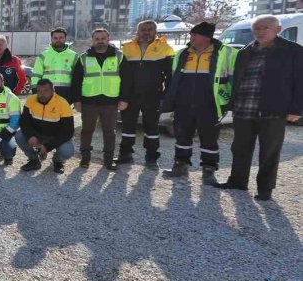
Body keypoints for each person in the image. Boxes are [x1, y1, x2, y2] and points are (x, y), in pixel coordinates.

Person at [216, 15, 303, 200]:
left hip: (273, 110)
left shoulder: (292, 50)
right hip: (244, 108)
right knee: (239, 148)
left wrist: (296, 109)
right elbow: (237, 79)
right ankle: (237, 181)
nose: (260, 32)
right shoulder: (245, 51)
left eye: (265, 28)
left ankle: (265, 189)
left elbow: (300, 81)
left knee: (269, 151)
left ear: (278, 29)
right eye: (257, 28)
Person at [160, 22, 236, 185]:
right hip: (184, 104)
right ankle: (180, 166)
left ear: (206, 37)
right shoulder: (182, 54)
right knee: (182, 136)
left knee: (209, 139)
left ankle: (208, 170)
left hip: (210, 104)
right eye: (191, 34)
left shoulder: (226, 53)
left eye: (195, 34)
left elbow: (234, 80)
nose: (191, 37)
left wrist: (229, 103)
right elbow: (174, 79)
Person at [117, 20, 174, 167]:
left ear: (155, 32)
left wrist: (165, 96)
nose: (146, 32)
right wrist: (122, 95)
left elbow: (170, 75)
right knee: (128, 127)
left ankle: (151, 157)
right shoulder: (127, 48)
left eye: (150, 29)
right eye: (143, 29)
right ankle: (125, 154)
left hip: (153, 95)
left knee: (152, 127)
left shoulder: (165, 48)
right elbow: (120, 73)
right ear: (138, 31)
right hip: (130, 94)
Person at [72, 28, 126, 171]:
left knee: (109, 132)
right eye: (97, 39)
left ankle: (108, 159)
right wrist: (77, 100)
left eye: (103, 38)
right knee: (86, 130)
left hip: (110, 100)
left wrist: (124, 99)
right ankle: (85, 158)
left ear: (108, 39)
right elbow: (76, 81)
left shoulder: (119, 56)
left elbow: (127, 80)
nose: (100, 41)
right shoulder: (84, 58)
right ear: (92, 40)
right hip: (89, 101)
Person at [16, 79, 76, 174]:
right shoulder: (31, 100)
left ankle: (57, 161)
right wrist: (30, 135)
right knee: (19, 136)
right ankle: (34, 160)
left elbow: (68, 132)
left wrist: (47, 147)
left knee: (67, 151)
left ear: (53, 91)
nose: (42, 94)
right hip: (37, 134)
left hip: (55, 136)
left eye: (46, 91)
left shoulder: (63, 103)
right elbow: (24, 122)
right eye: (39, 91)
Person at [31, 27, 77, 104]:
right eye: (55, 38)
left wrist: (75, 95)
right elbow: (36, 75)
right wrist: (35, 92)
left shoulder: (74, 56)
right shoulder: (43, 56)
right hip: (46, 93)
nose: (58, 40)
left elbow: (77, 78)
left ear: (65, 38)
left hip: (66, 94)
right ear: (51, 39)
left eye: (61, 37)